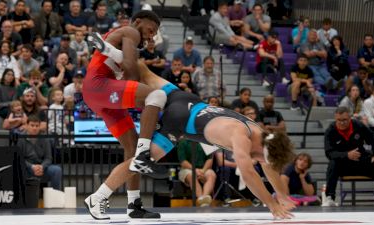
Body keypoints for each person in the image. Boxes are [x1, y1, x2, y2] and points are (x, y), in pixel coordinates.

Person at [83, 42, 296, 218]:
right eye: (260, 156)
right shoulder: (241, 136)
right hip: (181, 121)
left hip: (185, 100)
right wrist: (272, 205)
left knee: (144, 71)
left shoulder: (257, 130)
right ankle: (97, 197)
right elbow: (249, 174)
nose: (258, 158)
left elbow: (267, 165)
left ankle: (113, 54)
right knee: (140, 160)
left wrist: (283, 196)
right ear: (264, 148)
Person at [84, 10, 166, 220]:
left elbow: (130, 72)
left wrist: (112, 52)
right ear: (138, 21)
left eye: (154, 34)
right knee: (156, 97)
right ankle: (143, 154)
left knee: (130, 144)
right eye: (150, 30)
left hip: (99, 94)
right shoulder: (131, 31)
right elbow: (131, 72)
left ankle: (133, 204)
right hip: (100, 86)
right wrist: (123, 60)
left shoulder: (127, 38)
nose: (150, 36)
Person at [323, 106, 374, 206]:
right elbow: (329, 153)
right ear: (335, 119)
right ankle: (330, 197)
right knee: (333, 163)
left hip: (361, 162)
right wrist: (346, 155)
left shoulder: (358, 125)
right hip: (343, 165)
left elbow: (373, 139)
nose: (342, 122)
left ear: (350, 118)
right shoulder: (330, 131)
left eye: (344, 120)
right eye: (339, 120)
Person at [18, 115, 62, 190]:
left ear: (39, 127)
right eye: (32, 125)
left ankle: (55, 195)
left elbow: (48, 158)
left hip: (42, 168)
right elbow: (19, 158)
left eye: (37, 126)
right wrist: (32, 167)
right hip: (27, 168)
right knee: (17, 170)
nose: (34, 128)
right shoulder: (21, 139)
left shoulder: (45, 139)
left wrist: (41, 167)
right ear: (27, 126)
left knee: (56, 170)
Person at [177, 139, 216, 207]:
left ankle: (204, 198)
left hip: (204, 168)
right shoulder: (183, 142)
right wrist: (195, 170)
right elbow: (183, 162)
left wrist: (203, 171)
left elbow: (209, 160)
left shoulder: (207, 142)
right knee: (191, 176)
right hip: (188, 168)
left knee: (211, 174)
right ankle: (201, 200)